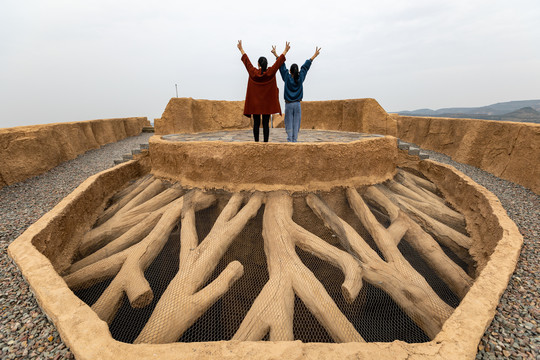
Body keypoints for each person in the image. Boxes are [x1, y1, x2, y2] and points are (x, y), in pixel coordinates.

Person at [238, 40, 290, 142]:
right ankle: (265, 143)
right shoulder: (270, 72)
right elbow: (278, 62)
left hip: (255, 104)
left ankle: (256, 142)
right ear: (266, 64)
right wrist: (285, 51)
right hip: (266, 105)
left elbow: (246, 62)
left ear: (258, 64)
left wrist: (241, 49)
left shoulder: (253, 72)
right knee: (266, 123)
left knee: (256, 124)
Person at [271, 46, 321, 142]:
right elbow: (306, 67)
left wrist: (276, 54)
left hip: (289, 104)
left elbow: (281, 65)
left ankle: (290, 140)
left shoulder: (286, 77)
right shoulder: (300, 77)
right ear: (297, 71)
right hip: (297, 104)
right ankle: (295, 140)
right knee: (296, 123)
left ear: (290, 71)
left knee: (289, 123)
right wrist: (314, 55)